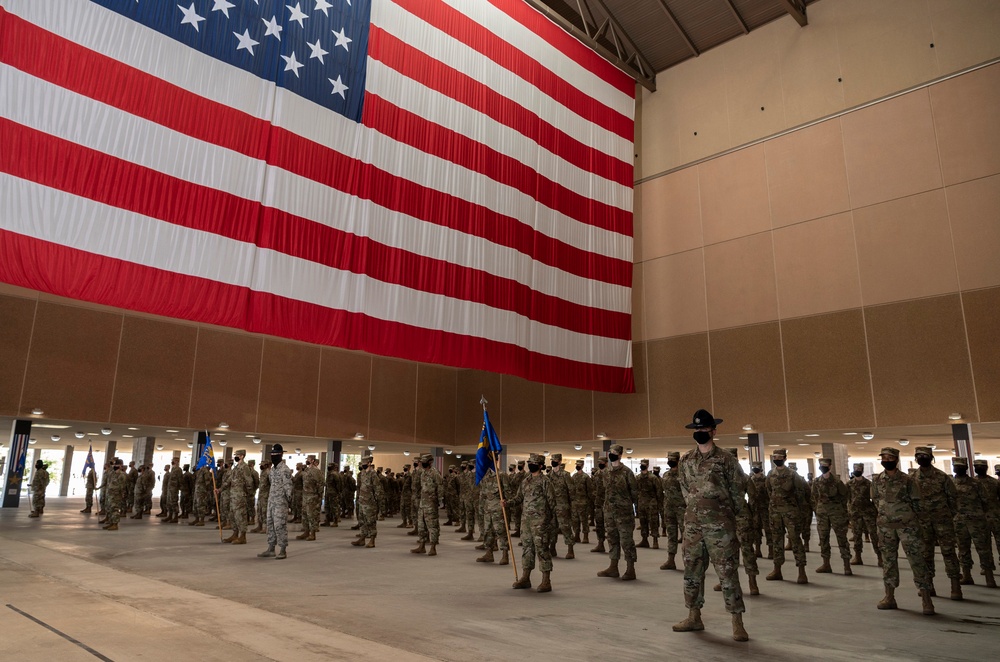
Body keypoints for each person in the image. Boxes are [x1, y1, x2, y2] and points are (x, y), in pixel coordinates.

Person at [672, 409, 748, 642]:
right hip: (693, 526)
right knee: (692, 572)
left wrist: (733, 521)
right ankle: (694, 616)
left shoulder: (727, 460)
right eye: (697, 430)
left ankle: (737, 621)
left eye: (704, 430)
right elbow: (685, 489)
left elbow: (738, 492)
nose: (700, 433)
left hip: (720, 527)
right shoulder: (686, 460)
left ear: (713, 431)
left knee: (727, 573)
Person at [871, 447, 934, 615]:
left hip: (908, 527)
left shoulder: (908, 481)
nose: (886, 460)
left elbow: (918, 504)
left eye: (889, 458)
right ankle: (889, 597)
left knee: (917, 561)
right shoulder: (877, 480)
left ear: (896, 459)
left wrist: (911, 520)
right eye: (883, 457)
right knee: (888, 562)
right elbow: (876, 500)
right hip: (885, 528)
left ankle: (926, 599)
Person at [912, 447, 961, 599]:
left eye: (925, 455)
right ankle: (928, 586)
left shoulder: (942, 477)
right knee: (926, 554)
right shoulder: (912, 478)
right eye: (919, 456)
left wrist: (948, 515)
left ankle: (955, 586)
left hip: (943, 521)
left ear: (931, 457)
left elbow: (953, 498)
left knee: (949, 552)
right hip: (923, 522)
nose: (922, 458)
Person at [505, 453, 555, 593]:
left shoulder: (545, 481)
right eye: (529, 463)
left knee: (542, 549)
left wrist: (549, 521)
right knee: (527, 548)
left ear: (540, 465)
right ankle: (525, 578)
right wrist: (507, 503)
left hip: (540, 522)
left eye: (533, 463)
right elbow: (519, 498)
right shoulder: (525, 481)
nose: (530, 465)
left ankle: (546, 580)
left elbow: (552, 502)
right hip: (526, 521)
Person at [765, 448, 809, 584]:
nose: (776, 459)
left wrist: (801, 513)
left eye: (779, 457)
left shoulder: (792, 474)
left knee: (795, 540)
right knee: (777, 541)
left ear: (785, 458)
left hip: (791, 512)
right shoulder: (770, 474)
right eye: (774, 456)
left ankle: (802, 572)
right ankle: (777, 570)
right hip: (775, 512)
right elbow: (769, 491)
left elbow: (801, 494)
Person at [952, 457, 996, 588]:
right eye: (957, 466)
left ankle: (989, 577)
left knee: (983, 549)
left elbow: (985, 501)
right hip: (959, 521)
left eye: (961, 466)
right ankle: (966, 575)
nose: (959, 469)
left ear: (966, 468)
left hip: (977, 521)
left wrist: (978, 513)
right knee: (963, 549)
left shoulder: (976, 484)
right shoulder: (950, 483)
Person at [597, 444, 638, 581]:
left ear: (620, 455)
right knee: (612, 539)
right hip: (609, 512)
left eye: (614, 452)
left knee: (626, 541)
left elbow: (634, 493)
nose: (611, 454)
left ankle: (630, 569)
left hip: (623, 513)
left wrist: (628, 507)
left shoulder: (627, 472)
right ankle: (613, 567)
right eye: (610, 452)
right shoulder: (606, 472)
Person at [811, 457, 852, 575]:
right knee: (823, 538)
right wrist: (818, 509)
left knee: (842, 538)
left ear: (830, 466)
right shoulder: (817, 481)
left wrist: (841, 510)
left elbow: (845, 496)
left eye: (825, 465)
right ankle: (826, 564)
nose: (822, 467)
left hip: (837, 513)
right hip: (822, 513)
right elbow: (814, 496)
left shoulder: (837, 482)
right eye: (821, 465)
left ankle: (846, 565)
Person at [258, 444, 293, 559]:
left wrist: (289, 504)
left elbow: (288, 487)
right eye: (272, 454)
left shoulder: (285, 470)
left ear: (281, 455)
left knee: (280, 525)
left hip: (281, 502)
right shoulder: (272, 470)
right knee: (270, 524)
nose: (273, 456)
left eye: (275, 454)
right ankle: (271, 548)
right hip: (271, 501)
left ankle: (283, 549)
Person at [477, 459, 510, 565]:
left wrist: (507, 504)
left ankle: (505, 555)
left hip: (498, 509)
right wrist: (481, 507)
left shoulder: (501, 475)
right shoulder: (484, 476)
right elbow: (482, 494)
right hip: (487, 509)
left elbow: (508, 492)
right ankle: (489, 553)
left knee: (501, 532)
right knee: (488, 532)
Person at [847, 463, 881, 567]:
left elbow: (874, 497)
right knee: (857, 535)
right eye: (855, 468)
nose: (857, 470)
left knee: (874, 534)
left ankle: (880, 557)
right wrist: (849, 511)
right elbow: (848, 498)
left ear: (862, 470)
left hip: (868, 512)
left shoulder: (868, 483)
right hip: (855, 513)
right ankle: (858, 556)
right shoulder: (849, 484)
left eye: (859, 468)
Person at [412, 453, 442, 556]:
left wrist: (440, 501)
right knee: (421, 525)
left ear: (430, 462)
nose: (422, 464)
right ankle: (422, 546)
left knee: (432, 526)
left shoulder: (435, 473)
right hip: (422, 503)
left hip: (431, 504)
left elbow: (440, 487)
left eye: (424, 462)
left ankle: (433, 547)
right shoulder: (423, 473)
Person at [660, 451, 685, 569]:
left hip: (682, 509)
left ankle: (689, 562)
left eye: (672, 459)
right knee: (671, 534)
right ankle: (671, 560)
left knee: (686, 535)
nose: (670, 461)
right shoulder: (665, 475)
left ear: (678, 460)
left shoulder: (684, 474)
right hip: (669, 508)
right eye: (669, 458)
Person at [352, 456, 383, 548]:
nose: (363, 464)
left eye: (364, 463)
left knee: (371, 521)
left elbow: (378, 489)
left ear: (369, 463)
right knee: (362, 521)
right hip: (362, 501)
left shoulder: (373, 474)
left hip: (370, 502)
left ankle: (372, 540)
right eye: (362, 463)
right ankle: (362, 538)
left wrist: (378, 503)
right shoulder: (362, 473)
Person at [226, 449, 252, 545]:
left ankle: (243, 536)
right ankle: (235, 534)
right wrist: (220, 489)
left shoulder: (244, 467)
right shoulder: (236, 467)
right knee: (232, 515)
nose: (235, 456)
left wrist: (249, 494)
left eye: (237, 455)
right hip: (233, 495)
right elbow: (229, 480)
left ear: (242, 456)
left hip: (240, 496)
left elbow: (249, 481)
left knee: (240, 516)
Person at [636, 459, 660, 549]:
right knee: (643, 522)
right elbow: (636, 490)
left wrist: (658, 503)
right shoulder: (638, 478)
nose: (642, 466)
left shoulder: (653, 478)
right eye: (641, 464)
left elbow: (658, 491)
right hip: (641, 502)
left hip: (651, 503)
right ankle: (644, 540)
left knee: (653, 521)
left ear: (647, 465)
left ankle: (655, 540)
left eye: (644, 464)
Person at [298, 456, 323, 542]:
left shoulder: (317, 471)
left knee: (311, 515)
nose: (307, 461)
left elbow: (320, 484)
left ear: (312, 461)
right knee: (304, 515)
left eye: (308, 460)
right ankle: (306, 531)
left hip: (312, 496)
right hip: (305, 495)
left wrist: (319, 497)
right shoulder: (306, 471)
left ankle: (313, 533)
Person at [570, 459, 593, 545]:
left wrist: (590, 501)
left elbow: (590, 490)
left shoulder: (586, 477)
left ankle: (585, 536)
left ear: (582, 465)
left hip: (584, 502)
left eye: (579, 464)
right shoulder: (574, 476)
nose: (578, 466)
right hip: (575, 502)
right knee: (575, 520)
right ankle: (577, 535)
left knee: (584, 520)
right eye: (577, 464)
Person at [590, 454, 608, 553]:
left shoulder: (609, 473)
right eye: (599, 463)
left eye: (601, 462)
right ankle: (600, 544)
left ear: (606, 463)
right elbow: (593, 487)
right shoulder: (596, 475)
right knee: (599, 524)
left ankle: (613, 546)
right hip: (598, 503)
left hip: (608, 503)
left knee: (610, 525)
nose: (600, 464)